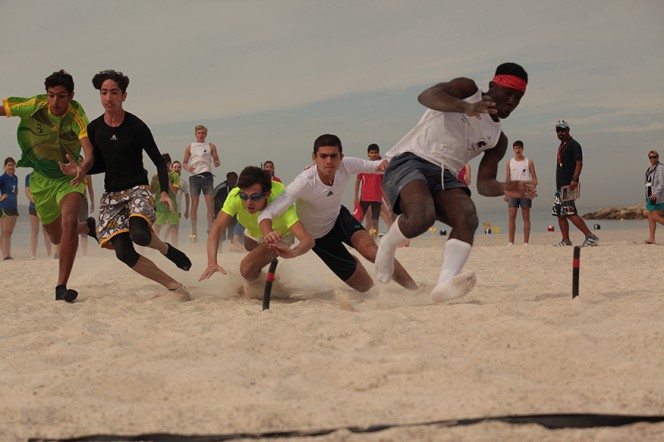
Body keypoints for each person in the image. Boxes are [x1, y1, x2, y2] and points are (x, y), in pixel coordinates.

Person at [375, 62, 532, 302]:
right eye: (509, 94)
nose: (512, 102)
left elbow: (483, 184)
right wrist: (464, 107)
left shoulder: (498, 139)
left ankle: (445, 283)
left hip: (445, 174)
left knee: (468, 217)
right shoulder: (467, 89)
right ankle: (387, 243)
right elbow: (426, 95)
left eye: (518, 98)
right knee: (421, 215)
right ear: (492, 86)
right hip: (411, 159)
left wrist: (503, 187)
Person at [259, 134, 417, 292]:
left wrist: (393, 164)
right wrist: (268, 233)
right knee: (364, 286)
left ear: (341, 157)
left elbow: (377, 166)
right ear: (314, 158)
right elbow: (267, 213)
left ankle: (414, 289)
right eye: (323, 156)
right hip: (319, 238)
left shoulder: (346, 165)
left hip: (339, 219)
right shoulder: (304, 182)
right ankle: (352, 262)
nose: (329, 161)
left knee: (372, 251)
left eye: (334, 156)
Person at [87, 69, 192, 299]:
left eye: (114, 92)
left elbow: (157, 161)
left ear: (123, 96)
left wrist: (164, 191)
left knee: (140, 235)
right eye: (104, 92)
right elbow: (100, 164)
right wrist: (80, 168)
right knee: (123, 253)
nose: (108, 97)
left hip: (137, 189)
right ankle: (173, 284)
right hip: (111, 195)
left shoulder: (136, 126)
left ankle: (165, 249)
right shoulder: (94, 128)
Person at [1, 69, 96, 302]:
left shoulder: (76, 115)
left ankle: (61, 286)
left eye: (61, 96)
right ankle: (88, 227)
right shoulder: (35, 105)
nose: (55, 101)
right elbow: (4, 109)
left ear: (71, 95)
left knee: (69, 221)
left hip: (68, 178)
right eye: (51, 95)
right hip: (41, 181)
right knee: (56, 237)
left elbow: (89, 150)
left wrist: (82, 168)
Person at [199, 166, 313, 296]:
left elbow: (308, 239)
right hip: (253, 233)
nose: (248, 202)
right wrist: (212, 262)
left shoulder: (281, 201)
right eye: (244, 196)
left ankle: (263, 287)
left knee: (247, 269)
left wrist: (294, 252)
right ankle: (263, 273)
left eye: (255, 197)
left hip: (279, 237)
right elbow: (217, 229)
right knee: (249, 246)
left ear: (267, 194)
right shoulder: (236, 196)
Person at [551, 119, 599, 247]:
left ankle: (590, 236)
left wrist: (575, 179)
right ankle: (565, 240)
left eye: (562, 130)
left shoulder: (573, 144)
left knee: (570, 212)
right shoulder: (562, 145)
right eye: (558, 131)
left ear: (568, 130)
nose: (560, 133)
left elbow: (579, 163)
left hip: (569, 185)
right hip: (560, 186)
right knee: (559, 213)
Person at [183, 124, 220, 243]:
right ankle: (194, 230)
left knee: (210, 203)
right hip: (195, 177)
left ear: (206, 134)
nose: (201, 135)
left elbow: (216, 159)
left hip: (207, 176)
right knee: (195, 203)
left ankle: (210, 227)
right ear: (196, 134)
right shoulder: (190, 146)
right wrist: (188, 168)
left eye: (203, 133)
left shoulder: (210, 146)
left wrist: (217, 162)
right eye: (199, 133)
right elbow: (184, 162)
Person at [504, 140, 538, 246]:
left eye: (519, 148)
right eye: (515, 148)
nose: (517, 150)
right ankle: (511, 241)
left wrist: (532, 188)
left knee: (526, 215)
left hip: (525, 191)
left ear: (522, 149)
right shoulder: (509, 162)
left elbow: (535, 179)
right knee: (512, 215)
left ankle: (526, 241)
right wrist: (506, 193)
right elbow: (507, 179)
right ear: (513, 149)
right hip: (513, 191)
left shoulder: (529, 162)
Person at [354, 143, 390, 239]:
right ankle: (356, 239)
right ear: (368, 154)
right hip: (364, 198)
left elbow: (381, 186)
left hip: (377, 199)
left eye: (375, 153)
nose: (374, 154)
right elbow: (357, 182)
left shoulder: (381, 169)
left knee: (375, 222)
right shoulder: (363, 167)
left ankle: (373, 241)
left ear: (378, 154)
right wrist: (355, 197)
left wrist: (387, 200)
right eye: (372, 152)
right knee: (358, 221)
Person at [151, 153, 180, 246]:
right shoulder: (155, 176)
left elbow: (175, 191)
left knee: (174, 228)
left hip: (171, 206)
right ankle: (155, 247)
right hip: (159, 206)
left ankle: (176, 248)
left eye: (164, 163)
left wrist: (166, 179)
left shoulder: (175, 175)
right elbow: (152, 191)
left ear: (169, 163)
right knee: (157, 228)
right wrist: (154, 181)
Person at [25, 172, 54, 259]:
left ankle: (49, 254)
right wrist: (35, 201)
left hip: (45, 207)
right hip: (33, 207)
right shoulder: (28, 176)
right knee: (34, 231)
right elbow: (27, 192)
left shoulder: (46, 174)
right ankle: (33, 254)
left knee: (47, 232)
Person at [0, 157, 19, 260]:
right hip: (4, 206)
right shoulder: (2, 178)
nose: (11, 167)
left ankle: (7, 253)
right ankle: (6, 255)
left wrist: (14, 197)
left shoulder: (15, 178)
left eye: (12, 165)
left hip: (13, 206)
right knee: (5, 231)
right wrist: (1, 198)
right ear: (5, 167)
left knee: (9, 232)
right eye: (9, 165)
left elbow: (16, 190)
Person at [644, 149, 664, 244]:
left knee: (655, 217)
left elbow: (662, 183)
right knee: (650, 216)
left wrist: (656, 193)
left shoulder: (660, 168)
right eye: (650, 157)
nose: (652, 159)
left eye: (654, 157)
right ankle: (652, 238)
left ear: (657, 157)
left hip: (656, 196)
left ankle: (652, 238)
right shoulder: (650, 168)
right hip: (649, 196)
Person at [171, 160, 190, 247]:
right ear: (171, 168)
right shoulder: (168, 180)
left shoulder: (183, 182)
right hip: (167, 209)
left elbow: (187, 196)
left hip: (177, 209)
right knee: (167, 228)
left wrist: (187, 210)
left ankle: (175, 247)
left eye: (178, 167)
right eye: (175, 167)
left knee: (175, 229)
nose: (177, 168)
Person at [78, 175, 95, 256]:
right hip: (72, 200)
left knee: (83, 225)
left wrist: (92, 202)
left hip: (83, 201)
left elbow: (90, 188)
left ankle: (84, 253)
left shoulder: (87, 173)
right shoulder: (70, 169)